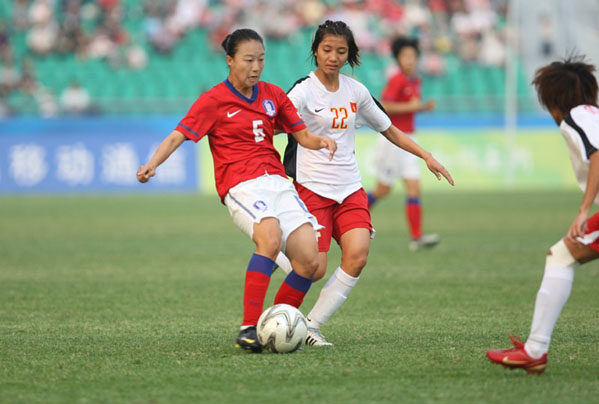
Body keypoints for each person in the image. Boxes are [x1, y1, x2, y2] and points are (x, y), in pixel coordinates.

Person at [136, 28, 337, 353]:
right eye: (248, 60)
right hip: (241, 184)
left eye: (261, 60)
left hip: (277, 182)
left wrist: (321, 141)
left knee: (310, 262)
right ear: (230, 60)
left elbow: (302, 135)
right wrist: (152, 164)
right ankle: (249, 329)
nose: (256, 67)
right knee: (269, 239)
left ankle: (277, 326)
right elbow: (178, 135)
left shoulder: (273, 95)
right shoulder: (214, 100)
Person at [276, 20, 453, 346]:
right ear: (315, 50)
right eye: (327, 49)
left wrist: (425, 155)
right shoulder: (303, 90)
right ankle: (276, 321)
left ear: (350, 54)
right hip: (312, 188)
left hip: (349, 189)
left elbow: (390, 129)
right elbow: (274, 123)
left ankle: (311, 326)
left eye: (341, 51)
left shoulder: (356, 91)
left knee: (357, 255)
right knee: (314, 268)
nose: (333, 57)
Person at [486, 56, 599, 374]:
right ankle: (534, 350)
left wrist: (583, 210)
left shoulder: (576, 117)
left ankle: (535, 351)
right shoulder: (593, 114)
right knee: (561, 255)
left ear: (553, 100)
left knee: (561, 257)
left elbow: (598, 155)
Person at [366, 37, 439, 252]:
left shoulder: (415, 81)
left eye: (413, 56)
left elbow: (409, 107)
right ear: (398, 59)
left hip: (410, 140)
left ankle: (416, 238)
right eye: (405, 56)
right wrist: (412, 107)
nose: (409, 60)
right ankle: (349, 218)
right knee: (383, 190)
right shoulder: (397, 80)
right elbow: (384, 106)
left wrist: (422, 108)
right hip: (393, 140)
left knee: (414, 188)